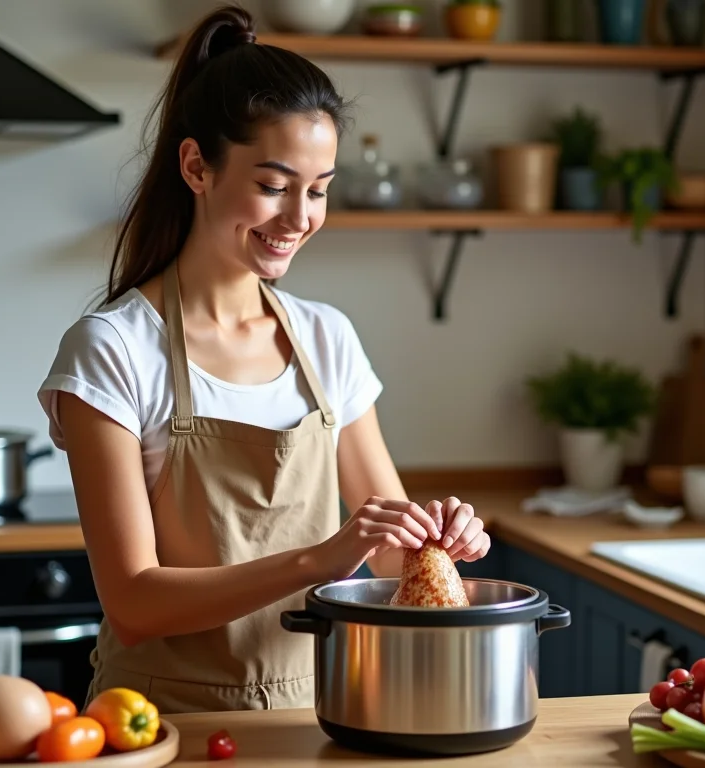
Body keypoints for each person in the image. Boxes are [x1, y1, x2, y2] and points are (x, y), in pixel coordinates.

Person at [36, 5, 491, 714]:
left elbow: (387, 556)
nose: (300, 217)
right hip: (160, 723)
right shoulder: (113, 349)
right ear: (197, 167)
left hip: (325, 710)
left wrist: (439, 543)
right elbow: (133, 602)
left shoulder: (326, 338)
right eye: (274, 186)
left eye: (319, 190)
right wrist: (319, 559)